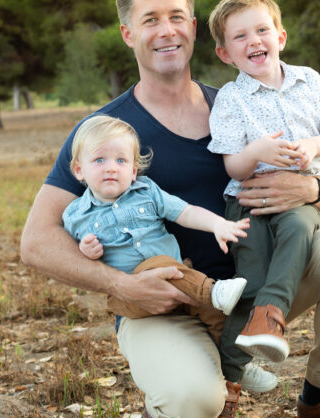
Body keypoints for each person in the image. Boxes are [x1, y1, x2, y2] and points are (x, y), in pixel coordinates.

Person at [20, 0, 320, 418]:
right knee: (195, 411)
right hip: (162, 303)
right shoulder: (104, 133)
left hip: (247, 285)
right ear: (128, 34)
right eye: (150, 19)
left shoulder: (238, 104)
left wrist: (314, 189)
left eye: (177, 16)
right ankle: (172, 396)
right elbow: (36, 241)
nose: (166, 30)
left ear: (194, 28)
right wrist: (122, 285)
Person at [206, 0, 320, 369]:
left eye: (262, 30)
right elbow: (233, 166)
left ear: (280, 37)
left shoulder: (308, 81)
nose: (254, 40)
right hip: (247, 202)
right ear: (225, 54)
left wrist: (314, 145)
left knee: (300, 226)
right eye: (240, 36)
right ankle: (232, 376)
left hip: (297, 199)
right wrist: (257, 152)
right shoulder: (231, 99)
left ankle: (271, 315)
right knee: (249, 278)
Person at [62, 114, 250, 350]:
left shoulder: (147, 192)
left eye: (121, 161)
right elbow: (70, 254)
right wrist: (85, 249)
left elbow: (186, 212)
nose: (111, 168)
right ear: (79, 170)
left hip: (181, 280)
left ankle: (235, 365)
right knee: (159, 264)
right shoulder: (76, 215)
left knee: (217, 315)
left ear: (133, 171)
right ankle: (213, 290)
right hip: (133, 297)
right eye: (99, 160)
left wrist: (217, 224)